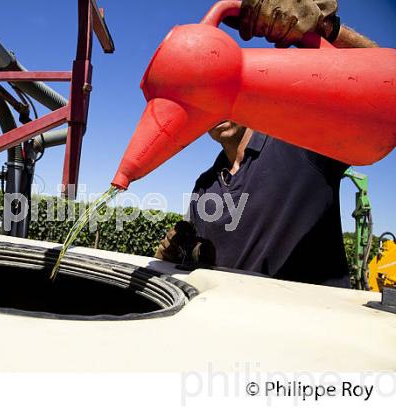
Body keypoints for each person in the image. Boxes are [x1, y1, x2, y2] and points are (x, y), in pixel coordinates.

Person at [155, 0, 378, 288]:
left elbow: (382, 86)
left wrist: (328, 30)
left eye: (221, 91)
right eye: (204, 102)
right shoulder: (204, 186)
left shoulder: (301, 142)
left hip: (316, 326)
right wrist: (178, 257)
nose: (215, 109)